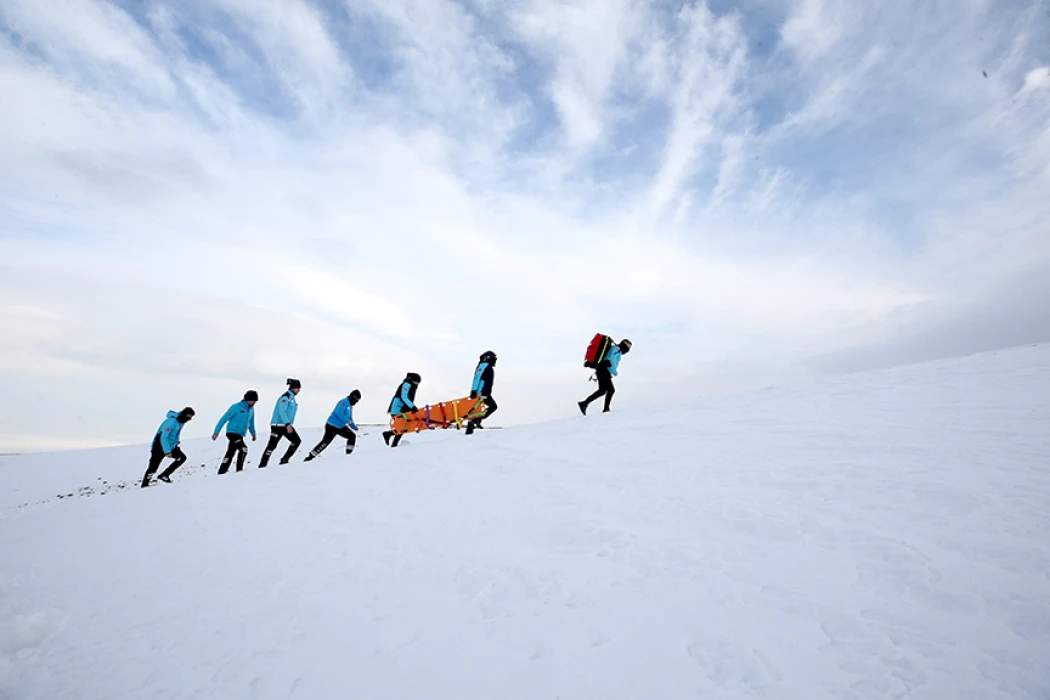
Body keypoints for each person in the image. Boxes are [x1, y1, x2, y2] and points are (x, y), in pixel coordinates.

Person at [141, 407, 195, 487]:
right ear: (184, 414)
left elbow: (175, 434)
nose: (190, 419)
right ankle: (144, 485)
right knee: (153, 468)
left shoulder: (181, 422)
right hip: (159, 447)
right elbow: (164, 437)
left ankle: (164, 475)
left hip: (171, 446)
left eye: (191, 417)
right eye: (189, 416)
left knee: (182, 458)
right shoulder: (171, 422)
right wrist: (167, 451)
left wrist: (176, 442)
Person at [304, 390, 362, 461]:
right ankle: (310, 456)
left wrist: (354, 427)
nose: (357, 402)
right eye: (357, 400)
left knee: (352, 436)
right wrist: (348, 421)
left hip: (340, 427)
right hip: (331, 426)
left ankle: (348, 456)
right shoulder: (343, 402)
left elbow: (350, 418)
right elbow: (339, 413)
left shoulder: (350, 406)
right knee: (325, 442)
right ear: (354, 397)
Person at [579, 339, 632, 414]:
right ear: (624, 344)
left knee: (602, 391)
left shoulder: (617, 350)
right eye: (628, 346)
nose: (629, 349)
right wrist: (615, 372)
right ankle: (605, 409)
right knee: (611, 390)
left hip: (603, 370)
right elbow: (612, 361)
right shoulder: (616, 349)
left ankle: (584, 404)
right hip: (604, 370)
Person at [213, 390, 258, 474]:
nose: (254, 402)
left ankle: (222, 471)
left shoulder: (251, 410)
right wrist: (216, 432)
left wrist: (253, 433)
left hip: (240, 434)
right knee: (243, 449)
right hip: (232, 432)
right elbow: (223, 419)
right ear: (248, 399)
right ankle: (239, 470)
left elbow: (251, 422)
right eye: (253, 401)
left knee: (230, 452)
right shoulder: (236, 407)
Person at [259, 378, 301, 467]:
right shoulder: (285, 397)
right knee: (271, 446)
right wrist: (287, 424)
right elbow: (282, 411)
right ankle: (262, 465)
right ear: (293, 388)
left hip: (285, 425)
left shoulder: (292, 398)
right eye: (298, 388)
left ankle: (284, 460)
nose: (299, 390)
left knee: (296, 441)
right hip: (278, 426)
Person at [382, 372, 421, 447]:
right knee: (402, 427)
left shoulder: (412, 386)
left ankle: (390, 439)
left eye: (418, 382)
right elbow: (404, 397)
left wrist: (411, 407)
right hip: (397, 409)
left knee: (402, 427)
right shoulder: (406, 384)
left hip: (404, 409)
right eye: (416, 382)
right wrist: (412, 407)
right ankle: (390, 439)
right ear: (412, 380)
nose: (417, 384)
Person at [465, 351, 497, 436]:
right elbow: (477, 378)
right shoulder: (483, 365)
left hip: (485, 392)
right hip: (481, 393)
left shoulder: (488, 366)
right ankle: (475, 420)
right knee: (493, 406)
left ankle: (475, 421)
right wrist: (473, 391)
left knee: (489, 407)